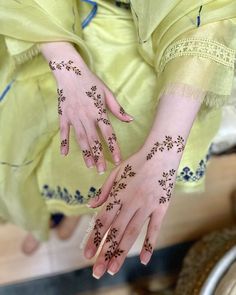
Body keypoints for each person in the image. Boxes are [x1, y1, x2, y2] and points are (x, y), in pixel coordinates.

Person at [0, 0, 235, 275]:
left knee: (134, 134)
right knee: (35, 113)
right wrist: (64, 62)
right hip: (61, 18)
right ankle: (49, 212)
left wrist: (163, 148)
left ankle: (82, 209)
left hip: (161, 32)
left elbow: (206, 12)